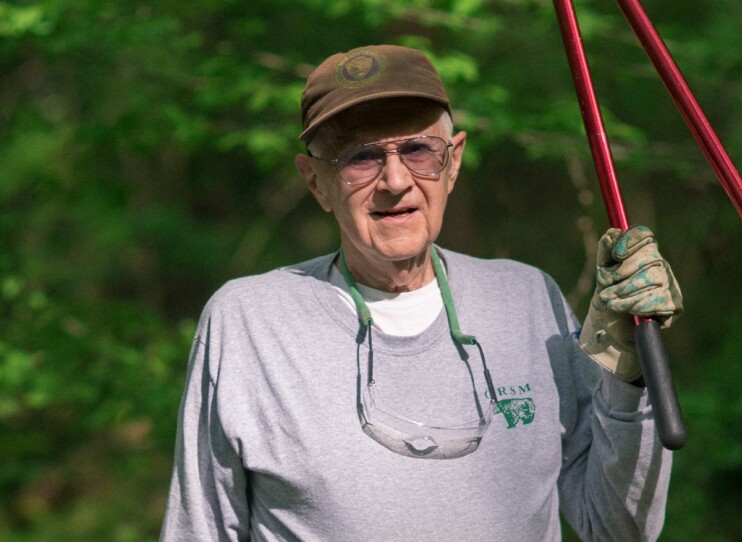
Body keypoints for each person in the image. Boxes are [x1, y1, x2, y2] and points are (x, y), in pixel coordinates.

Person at [159, 44, 683, 542]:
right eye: (361, 158)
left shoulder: (525, 300)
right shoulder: (251, 320)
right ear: (316, 182)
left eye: (417, 150)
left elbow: (618, 529)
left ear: (452, 162)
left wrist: (628, 378)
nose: (394, 179)